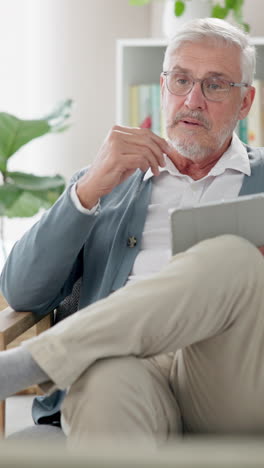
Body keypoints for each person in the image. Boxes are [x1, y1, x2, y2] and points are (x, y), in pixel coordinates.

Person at [1, 17, 264, 446]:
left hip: (232, 386)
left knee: (233, 256)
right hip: (128, 368)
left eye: (215, 85)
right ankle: (35, 364)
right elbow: (22, 291)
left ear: (246, 101)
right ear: (163, 88)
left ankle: (36, 361)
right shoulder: (109, 182)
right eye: (181, 80)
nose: (192, 100)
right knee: (103, 378)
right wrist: (85, 192)